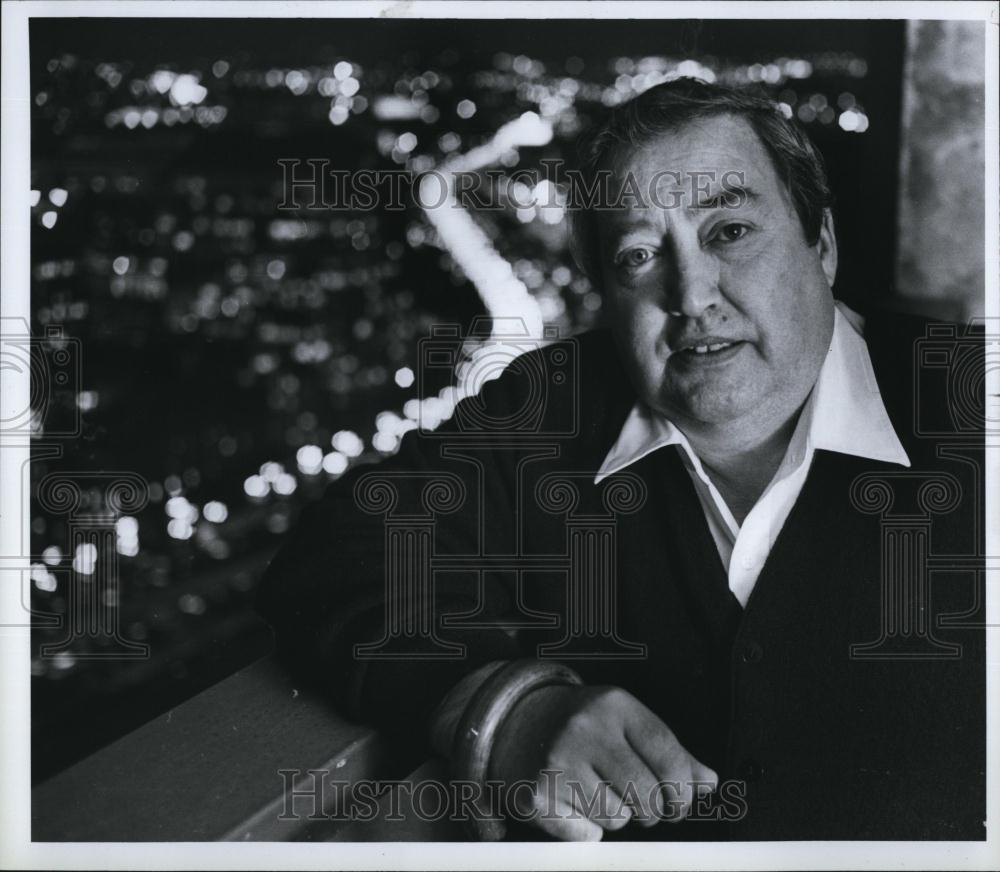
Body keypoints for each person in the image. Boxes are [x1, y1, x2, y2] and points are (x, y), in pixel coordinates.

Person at [257, 78, 985, 841]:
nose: (693, 295)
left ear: (822, 245)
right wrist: (505, 711)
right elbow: (331, 556)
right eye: (639, 254)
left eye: (729, 230)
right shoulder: (548, 411)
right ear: (606, 296)